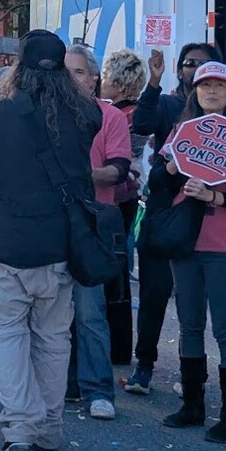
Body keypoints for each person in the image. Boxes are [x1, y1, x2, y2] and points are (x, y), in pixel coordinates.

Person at [0, 30, 102, 451]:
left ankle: (20, 428)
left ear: (18, 65)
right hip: (60, 243)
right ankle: (50, 427)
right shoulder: (87, 111)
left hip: (6, 241)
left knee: (7, 333)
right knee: (53, 337)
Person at [154, 61, 226, 443]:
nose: (212, 91)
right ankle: (192, 405)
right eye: (204, 85)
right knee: (189, 324)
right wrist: (172, 167)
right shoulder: (181, 131)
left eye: (219, 86)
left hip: (223, 246)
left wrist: (213, 195)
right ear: (194, 91)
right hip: (184, 242)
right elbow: (157, 182)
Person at [124, 42, 221, 395]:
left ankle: (191, 374)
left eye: (204, 65)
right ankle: (143, 367)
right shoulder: (167, 104)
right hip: (164, 214)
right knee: (154, 295)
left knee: (191, 303)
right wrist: (153, 81)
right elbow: (142, 123)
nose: (195, 69)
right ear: (179, 70)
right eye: (189, 63)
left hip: (204, 218)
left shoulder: (225, 118)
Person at [63, 44, 129, 420]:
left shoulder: (111, 116)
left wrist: (78, 175)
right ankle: (66, 383)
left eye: (78, 72)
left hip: (91, 225)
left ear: (93, 79)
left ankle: (99, 390)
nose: (71, 79)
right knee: (53, 312)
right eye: (65, 72)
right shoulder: (44, 112)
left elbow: (118, 170)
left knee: (90, 312)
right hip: (50, 222)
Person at [98, 48, 146, 363]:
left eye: (104, 76)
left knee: (115, 272)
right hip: (120, 196)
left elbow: (126, 157)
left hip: (119, 197)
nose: (100, 82)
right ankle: (117, 346)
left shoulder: (128, 115)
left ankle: (117, 347)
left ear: (118, 82)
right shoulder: (125, 111)